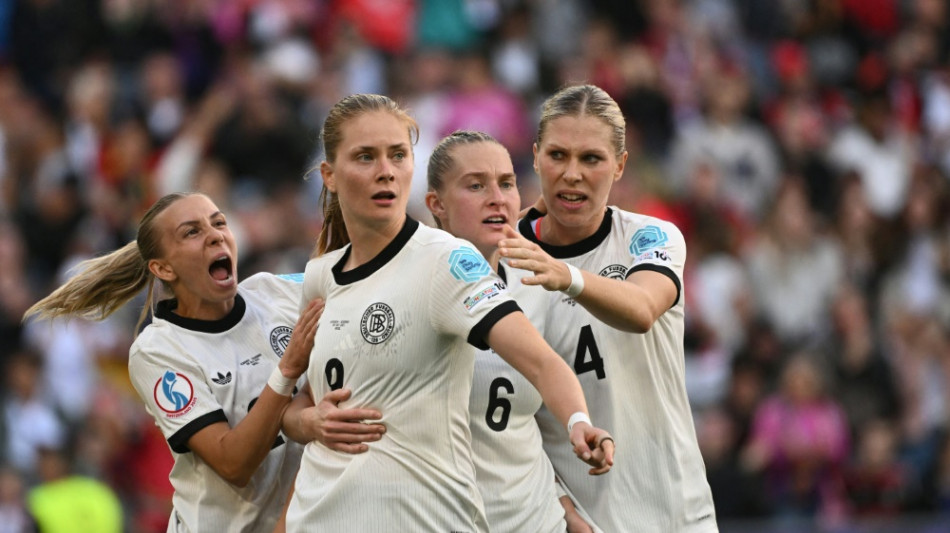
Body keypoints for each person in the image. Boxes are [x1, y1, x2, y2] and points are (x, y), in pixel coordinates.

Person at [284, 94, 614, 533]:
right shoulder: (319, 277)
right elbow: (303, 401)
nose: (385, 170)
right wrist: (310, 421)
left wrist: (578, 426)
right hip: (327, 516)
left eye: (398, 155)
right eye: (366, 156)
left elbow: (540, 365)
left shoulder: (450, 262)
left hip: (456, 517)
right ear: (329, 175)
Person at [22, 192, 382, 532]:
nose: (215, 237)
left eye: (219, 223)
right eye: (192, 232)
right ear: (163, 268)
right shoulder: (158, 350)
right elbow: (233, 463)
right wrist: (288, 369)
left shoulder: (278, 293)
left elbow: (359, 279)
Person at [496, 84, 718, 532]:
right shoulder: (498, 265)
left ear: (620, 165)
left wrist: (567, 277)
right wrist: (562, 509)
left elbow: (640, 309)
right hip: (581, 523)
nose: (571, 174)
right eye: (558, 156)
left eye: (591, 159)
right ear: (536, 157)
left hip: (678, 515)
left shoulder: (649, 238)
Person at [425, 130, 595, 532]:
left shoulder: (534, 281)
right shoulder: (413, 281)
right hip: (444, 520)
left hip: (536, 518)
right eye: (476, 185)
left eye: (506, 183)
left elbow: (531, 423)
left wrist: (565, 508)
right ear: (437, 204)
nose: (497, 197)